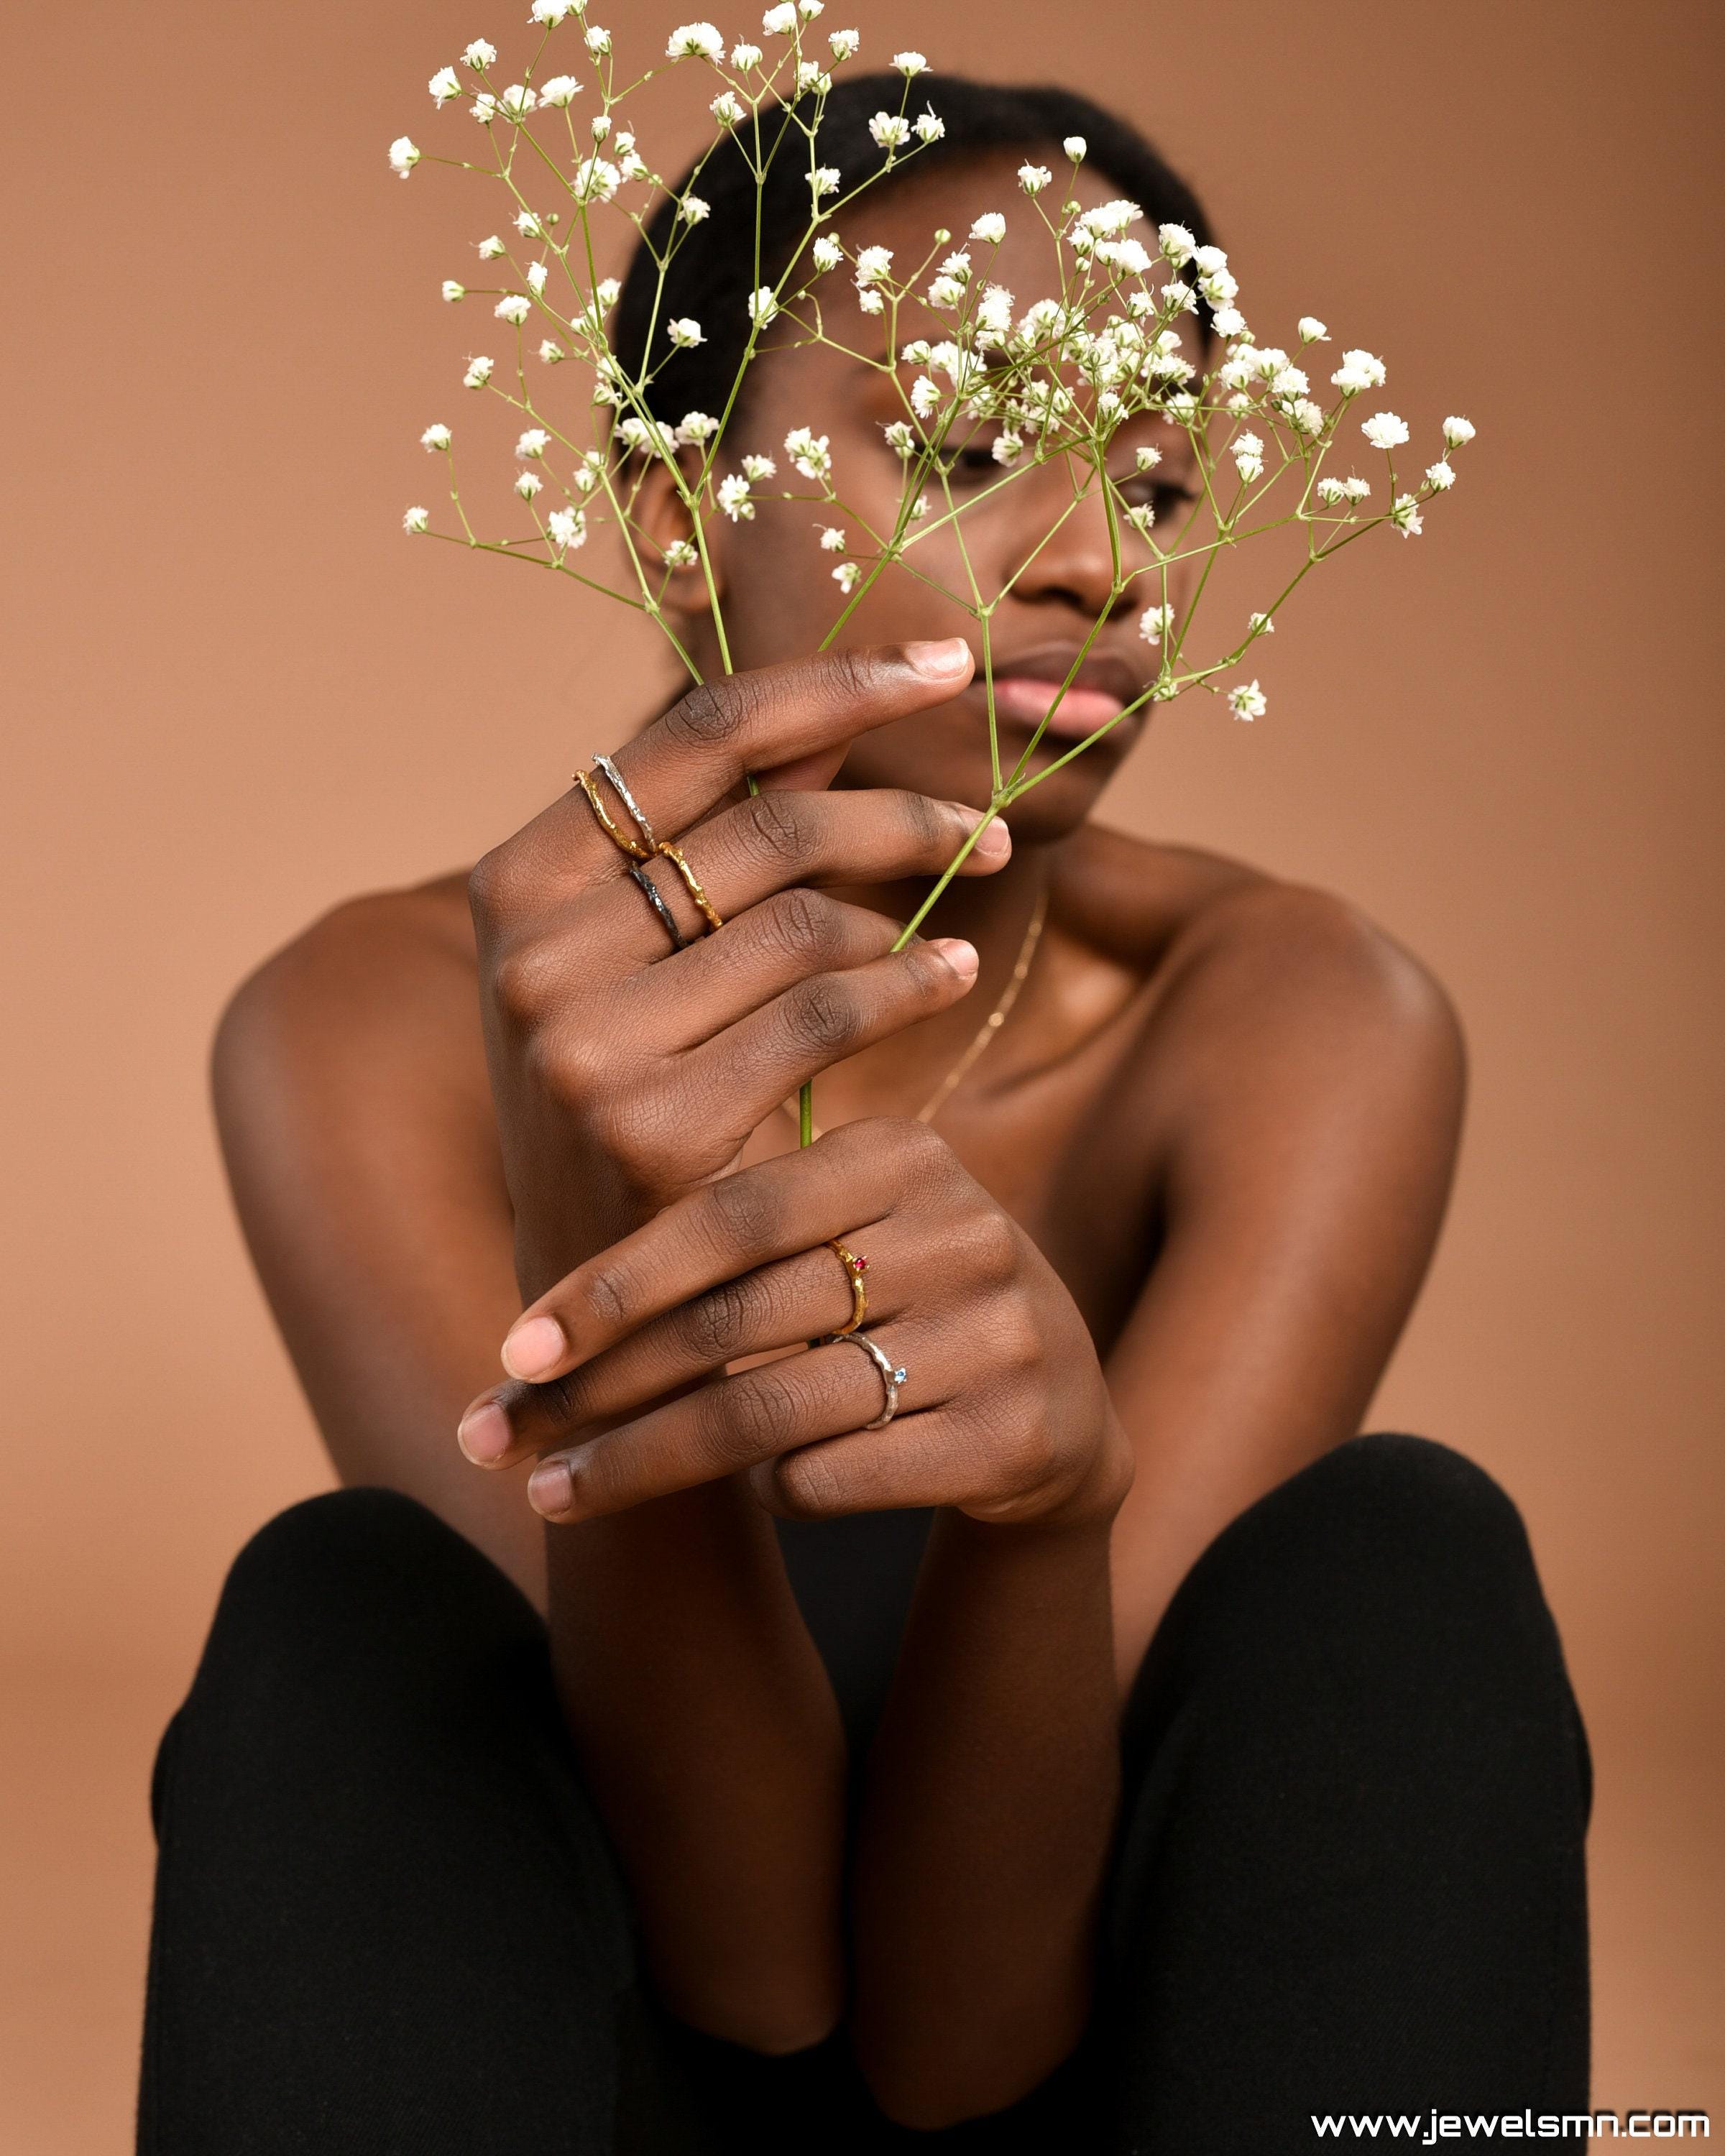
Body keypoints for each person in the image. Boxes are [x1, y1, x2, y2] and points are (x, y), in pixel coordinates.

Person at [137, 75, 1591, 2155]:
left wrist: (1048, 1524)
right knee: (346, 1613)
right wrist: (597, 1238)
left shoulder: (1280, 1019)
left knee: (1405, 1566)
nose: (1102, 565)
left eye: (1161, 487)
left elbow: (957, 2041)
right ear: (675, 510)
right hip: (590, 2074)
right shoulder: (367, 1032)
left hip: (1104, 2064)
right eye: (974, 452)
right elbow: (751, 1974)